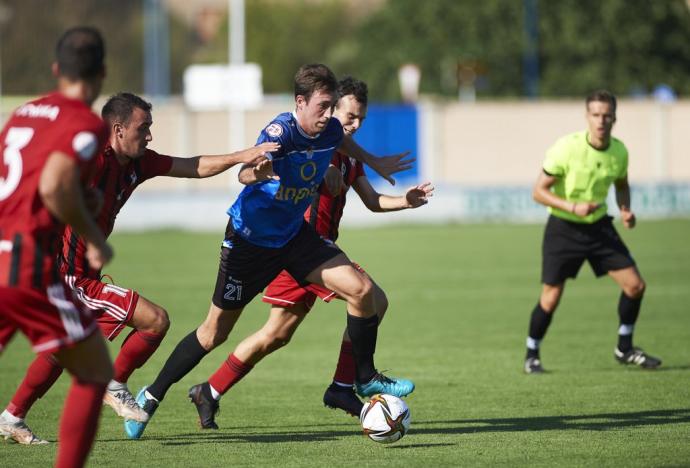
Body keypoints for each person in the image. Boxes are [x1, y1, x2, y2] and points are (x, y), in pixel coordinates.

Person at [125, 64, 416, 439]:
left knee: (362, 292)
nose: (329, 117)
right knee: (214, 333)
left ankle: (361, 379)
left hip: (295, 238)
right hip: (249, 242)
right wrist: (259, 173)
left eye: (332, 107)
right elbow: (245, 174)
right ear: (300, 102)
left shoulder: (328, 129)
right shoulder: (281, 131)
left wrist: (375, 160)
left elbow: (340, 141)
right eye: (322, 107)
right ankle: (151, 396)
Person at [0, 92, 277, 443]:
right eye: (143, 128)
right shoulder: (92, 161)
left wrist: (243, 155)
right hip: (71, 277)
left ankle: (12, 416)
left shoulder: (137, 163)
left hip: (77, 275)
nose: (149, 136)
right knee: (155, 320)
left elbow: (192, 166)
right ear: (117, 130)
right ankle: (113, 384)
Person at [0, 27, 113, 468]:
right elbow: (52, 185)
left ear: (55, 69)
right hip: (24, 264)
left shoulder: (24, 112)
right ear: (102, 72)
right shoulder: (85, 123)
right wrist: (95, 235)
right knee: (95, 372)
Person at [523, 89, 661, 374]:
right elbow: (538, 192)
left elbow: (621, 184)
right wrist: (573, 208)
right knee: (550, 297)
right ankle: (531, 354)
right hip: (563, 227)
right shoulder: (566, 148)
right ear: (587, 116)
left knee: (636, 286)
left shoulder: (619, 151)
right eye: (596, 115)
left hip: (599, 227)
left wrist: (625, 209)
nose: (601, 121)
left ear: (615, 118)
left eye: (606, 115)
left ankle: (624, 347)